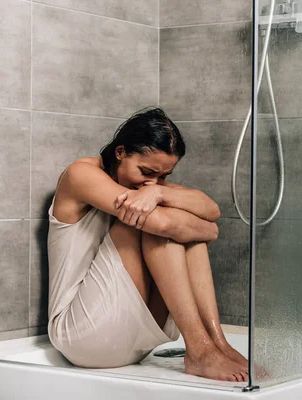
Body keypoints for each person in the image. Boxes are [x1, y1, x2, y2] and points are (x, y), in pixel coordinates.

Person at [46, 107, 248, 382]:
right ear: (120, 153)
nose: (151, 182)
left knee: (176, 224)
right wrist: (205, 229)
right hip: (81, 335)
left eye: (164, 176)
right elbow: (164, 225)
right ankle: (198, 349)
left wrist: (159, 191)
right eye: (146, 172)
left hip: (132, 339)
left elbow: (211, 210)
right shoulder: (80, 174)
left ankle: (217, 342)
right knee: (154, 224)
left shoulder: (149, 186)